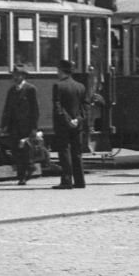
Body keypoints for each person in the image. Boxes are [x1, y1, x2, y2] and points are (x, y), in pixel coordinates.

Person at [0, 66, 40, 185]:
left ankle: (23, 176)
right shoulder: (12, 90)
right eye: (14, 76)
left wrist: (34, 128)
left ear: (23, 76)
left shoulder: (30, 89)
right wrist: (4, 124)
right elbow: (7, 108)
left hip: (26, 126)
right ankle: (29, 168)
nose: (15, 78)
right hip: (13, 125)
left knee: (25, 150)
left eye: (17, 75)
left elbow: (35, 110)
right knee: (16, 150)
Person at [51, 59, 88, 189]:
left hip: (63, 125)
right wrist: (77, 119)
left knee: (65, 150)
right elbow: (84, 107)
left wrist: (68, 121)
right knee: (77, 152)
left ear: (61, 70)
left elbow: (58, 107)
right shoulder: (80, 86)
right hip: (77, 125)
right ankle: (80, 181)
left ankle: (66, 180)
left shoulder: (58, 86)